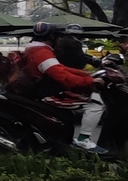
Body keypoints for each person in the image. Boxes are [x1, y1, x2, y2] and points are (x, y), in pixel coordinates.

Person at [14, 22, 103, 151]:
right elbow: (62, 76)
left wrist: (86, 76)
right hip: (50, 93)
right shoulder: (41, 53)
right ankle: (83, 140)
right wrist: (89, 81)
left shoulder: (35, 49)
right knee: (96, 104)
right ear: (52, 37)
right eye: (58, 37)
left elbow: (62, 69)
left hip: (48, 89)